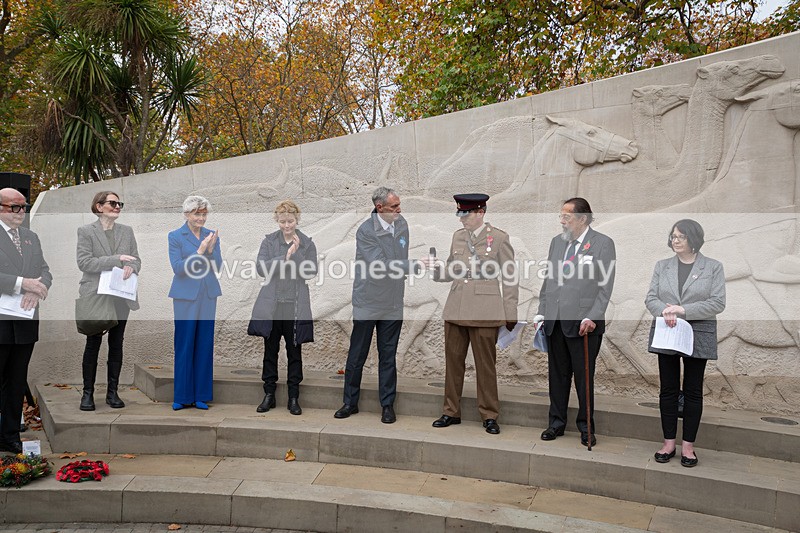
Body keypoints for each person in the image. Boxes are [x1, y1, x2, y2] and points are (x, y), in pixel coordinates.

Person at [428, 194, 518, 435]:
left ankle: (489, 415)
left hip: (485, 310)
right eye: (460, 214)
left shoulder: (499, 238)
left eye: (466, 214)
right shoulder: (458, 237)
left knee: (485, 366)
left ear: (480, 212)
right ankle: (450, 411)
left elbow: (510, 277)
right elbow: (452, 270)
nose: (462, 219)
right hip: (456, 308)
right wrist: (436, 270)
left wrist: (510, 312)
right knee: (453, 363)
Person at [534, 197, 616, 446]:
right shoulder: (557, 242)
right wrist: (542, 311)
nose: (562, 221)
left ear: (582, 218)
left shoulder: (602, 244)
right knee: (557, 377)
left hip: (584, 325)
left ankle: (586, 428)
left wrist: (593, 316)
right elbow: (549, 281)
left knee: (583, 379)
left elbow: (605, 287)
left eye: (566, 217)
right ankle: (555, 423)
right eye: (561, 216)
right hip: (556, 321)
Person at [334, 187, 420, 424]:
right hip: (368, 301)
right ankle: (350, 402)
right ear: (379, 207)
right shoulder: (366, 230)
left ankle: (387, 405)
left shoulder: (401, 224)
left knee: (388, 355)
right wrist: (415, 266)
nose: (399, 210)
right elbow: (379, 266)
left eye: (399, 204)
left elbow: (400, 259)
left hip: (393, 302)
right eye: (394, 206)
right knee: (358, 354)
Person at [645, 219, 725, 467]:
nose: (675, 240)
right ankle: (668, 443)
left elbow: (718, 302)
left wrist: (683, 310)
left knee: (692, 390)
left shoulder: (713, 267)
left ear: (694, 239)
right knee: (668, 389)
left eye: (681, 236)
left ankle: (688, 446)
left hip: (697, 332)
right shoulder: (662, 266)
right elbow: (651, 298)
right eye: (673, 236)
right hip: (667, 331)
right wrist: (665, 311)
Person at [248, 200, 318, 415]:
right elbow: (261, 268)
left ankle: (293, 397)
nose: (287, 225)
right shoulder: (269, 241)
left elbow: (310, 271)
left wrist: (296, 254)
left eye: (290, 221)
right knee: (270, 351)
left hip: (294, 307)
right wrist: (284, 257)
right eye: (283, 221)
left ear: (297, 220)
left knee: (294, 352)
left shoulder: (306, 243)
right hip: (273, 306)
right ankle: (269, 394)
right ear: (277, 221)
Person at [76, 191, 141, 411]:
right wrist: (117, 259)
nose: (117, 207)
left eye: (119, 203)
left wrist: (132, 266)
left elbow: (136, 259)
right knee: (93, 342)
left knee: (116, 343)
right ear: (99, 206)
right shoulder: (86, 231)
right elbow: (84, 263)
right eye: (113, 203)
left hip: (121, 295)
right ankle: (87, 394)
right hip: (96, 295)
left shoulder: (126, 231)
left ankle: (113, 393)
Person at [0, 188, 51, 454]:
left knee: (16, 380)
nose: (21, 212)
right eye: (15, 207)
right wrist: (22, 284)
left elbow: (44, 271)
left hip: (24, 321)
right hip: (1, 321)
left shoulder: (31, 237)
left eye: (24, 207)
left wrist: (38, 288)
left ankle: (9, 436)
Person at [168, 195, 221, 411]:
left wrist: (210, 250)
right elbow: (178, 268)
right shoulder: (175, 236)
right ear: (186, 214)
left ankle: (201, 395)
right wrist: (200, 251)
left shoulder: (211, 235)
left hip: (207, 294)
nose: (201, 218)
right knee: (185, 344)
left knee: (204, 344)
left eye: (204, 214)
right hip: (185, 296)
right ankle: (182, 396)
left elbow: (217, 266)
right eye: (197, 214)